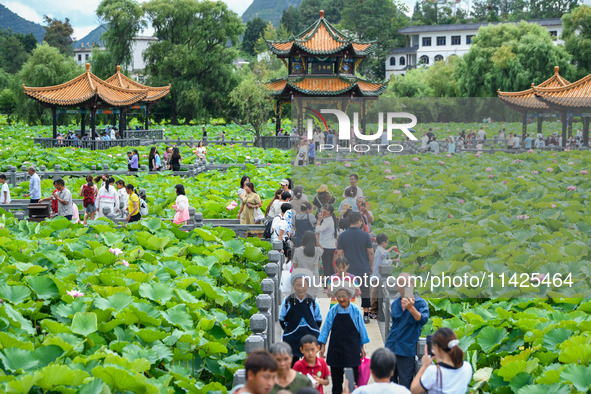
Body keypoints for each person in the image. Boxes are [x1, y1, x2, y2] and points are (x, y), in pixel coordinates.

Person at [318, 285, 369, 394]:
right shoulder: (333, 310)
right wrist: (322, 346)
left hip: (352, 349)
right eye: (339, 296)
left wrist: (362, 347)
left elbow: (361, 329)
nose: (341, 299)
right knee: (336, 382)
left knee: (352, 381)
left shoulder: (355, 310)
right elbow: (326, 328)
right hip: (336, 349)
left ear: (350, 296)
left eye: (344, 296)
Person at [385, 273, 430, 389]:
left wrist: (411, 308)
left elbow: (423, 319)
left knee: (405, 385)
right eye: (400, 284)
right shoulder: (395, 303)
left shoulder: (421, 303)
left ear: (413, 284)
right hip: (391, 347)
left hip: (406, 350)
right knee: (389, 383)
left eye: (407, 284)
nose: (403, 287)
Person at [336, 212, 374, 324]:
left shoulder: (342, 236)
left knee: (347, 291)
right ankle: (366, 315)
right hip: (363, 268)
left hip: (348, 270)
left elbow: (339, 254)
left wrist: (341, 268)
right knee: (366, 291)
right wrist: (371, 265)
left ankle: (347, 312)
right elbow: (370, 253)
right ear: (359, 221)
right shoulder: (365, 235)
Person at [410, 328, 473, 394]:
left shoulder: (434, 372)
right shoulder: (467, 367)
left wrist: (424, 366)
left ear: (436, 347)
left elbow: (414, 390)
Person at [279, 270, 323, 364]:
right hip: (292, 337)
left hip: (309, 337)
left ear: (308, 285)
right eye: (297, 285)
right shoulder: (287, 301)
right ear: (293, 285)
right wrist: (289, 329)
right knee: (292, 364)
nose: (300, 288)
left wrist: (312, 331)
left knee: (309, 363)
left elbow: (318, 319)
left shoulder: (313, 302)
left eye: (303, 285)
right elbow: (281, 318)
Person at [345, 348, 411, 394]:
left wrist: (345, 392)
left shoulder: (361, 391)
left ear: (371, 371)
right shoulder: (403, 391)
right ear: (392, 372)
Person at [369, 234, 399, 319]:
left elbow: (385, 261)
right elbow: (384, 254)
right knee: (374, 294)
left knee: (377, 294)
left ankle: (376, 311)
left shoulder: (380, 249)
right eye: (387, 242)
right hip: (376, 276)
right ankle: (373, 311)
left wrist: (394, 260)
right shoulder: (379, 249)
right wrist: (392, 248)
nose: (387, 243)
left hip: (379, 276)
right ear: (383, 242)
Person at [292, 231, 323, 296]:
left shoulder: (297, 250)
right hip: (314, 278)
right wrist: (316, 241)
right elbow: (322, 250)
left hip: (301, 278)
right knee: (313, 298)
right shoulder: (317, 250)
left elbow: (295, 265)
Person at [316, 204, 338, 280]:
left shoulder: (328, 221)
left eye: (325, 209)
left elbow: (318, 229)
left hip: (326, 246)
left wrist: (319, 220)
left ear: (328, 212)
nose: (322, 211)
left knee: (326, 266)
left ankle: (327, 283)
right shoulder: (329, 219)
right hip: (330, 246)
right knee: (329, 265)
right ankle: (333, 281)